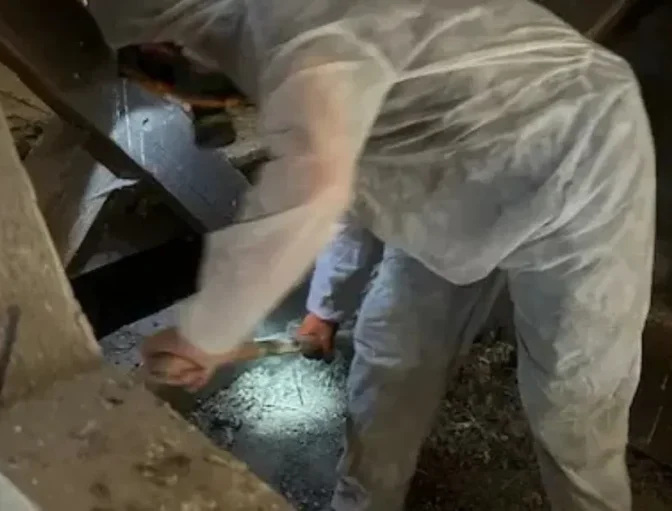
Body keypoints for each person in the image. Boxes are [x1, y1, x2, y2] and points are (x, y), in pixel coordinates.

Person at [87, 0, 655, 509]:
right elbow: (361, 177)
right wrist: (327, 307)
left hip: (578, 156)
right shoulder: (272, 39)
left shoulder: (296, 26)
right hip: (446, 163)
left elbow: (316, 185)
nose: (187, 98)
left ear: (172, 39)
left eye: (164, 73)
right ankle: (361, 502)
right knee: (390, 362)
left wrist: (202, 334)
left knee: (573, 405)